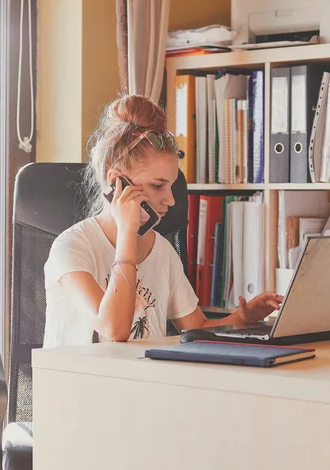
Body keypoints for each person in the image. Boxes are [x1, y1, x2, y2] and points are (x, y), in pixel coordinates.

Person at [43, 95, 283, 347]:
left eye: (171, 186)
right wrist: (127, 233)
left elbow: (197, 329)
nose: (170, 199)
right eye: (158, 186)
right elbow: (114, 329)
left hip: (145, 381)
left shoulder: (162, 251)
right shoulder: (71, 247)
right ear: (117, 183)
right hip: (79, 383)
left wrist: (242, 318)